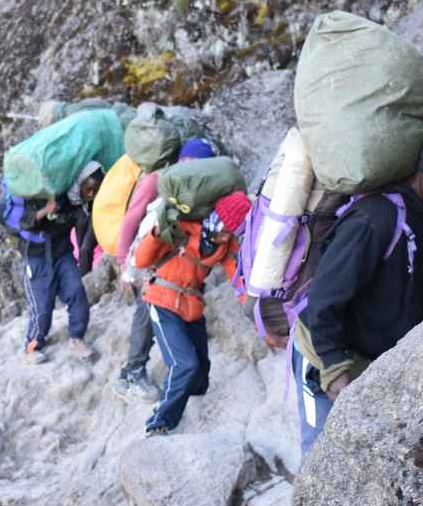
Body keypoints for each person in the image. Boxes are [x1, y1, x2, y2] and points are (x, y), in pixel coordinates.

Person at [290, 123, 423, 457]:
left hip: (369, 363)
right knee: (320, 456)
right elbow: (325, 296)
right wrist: (335, 369)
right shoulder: (375, 218)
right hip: (324, 356)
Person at [131, 190, 251, 435]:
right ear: (216, 219)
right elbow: (142, 260)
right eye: (224, 228)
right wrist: (156, 233)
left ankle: (187, 399)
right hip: (161, 300)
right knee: (184, 363)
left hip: (191, 306)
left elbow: (239, 281)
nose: (225, 235)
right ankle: (160, 422)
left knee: (200, 376)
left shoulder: (226, 245)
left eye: (231, 231)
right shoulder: (181, 228)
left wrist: (258, 313)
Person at [111, 137, 216, 402]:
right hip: (150, 263)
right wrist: (126, 264)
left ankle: (169, 373)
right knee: (147, 314)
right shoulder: (160, 181)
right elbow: (135, 219)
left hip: (171, 267)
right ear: (185, 160)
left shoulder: (197, 188)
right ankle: (131, 374)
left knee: (160, 314)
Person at [19, 161, 103, 364]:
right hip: (37, 257)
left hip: (62, 253)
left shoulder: (76, 200)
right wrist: (46, 209)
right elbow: (24, 222)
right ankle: (32, 346)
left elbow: (85, 238)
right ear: (80, 182)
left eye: (94, 190)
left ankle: (76, 338)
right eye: (88, 188)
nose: (90, 193)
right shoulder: (37, 191)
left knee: (77, 293)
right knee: (42, 308)